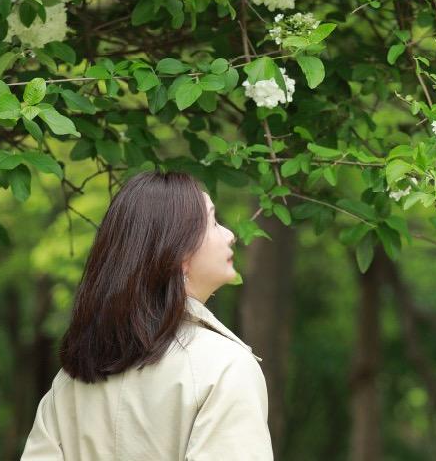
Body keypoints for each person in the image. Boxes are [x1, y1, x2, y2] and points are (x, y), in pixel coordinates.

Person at [20, 170, 273, 460]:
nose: (230, 235)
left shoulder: (71, 380)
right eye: (213, 223)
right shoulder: (225, 368)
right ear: (178, 253)